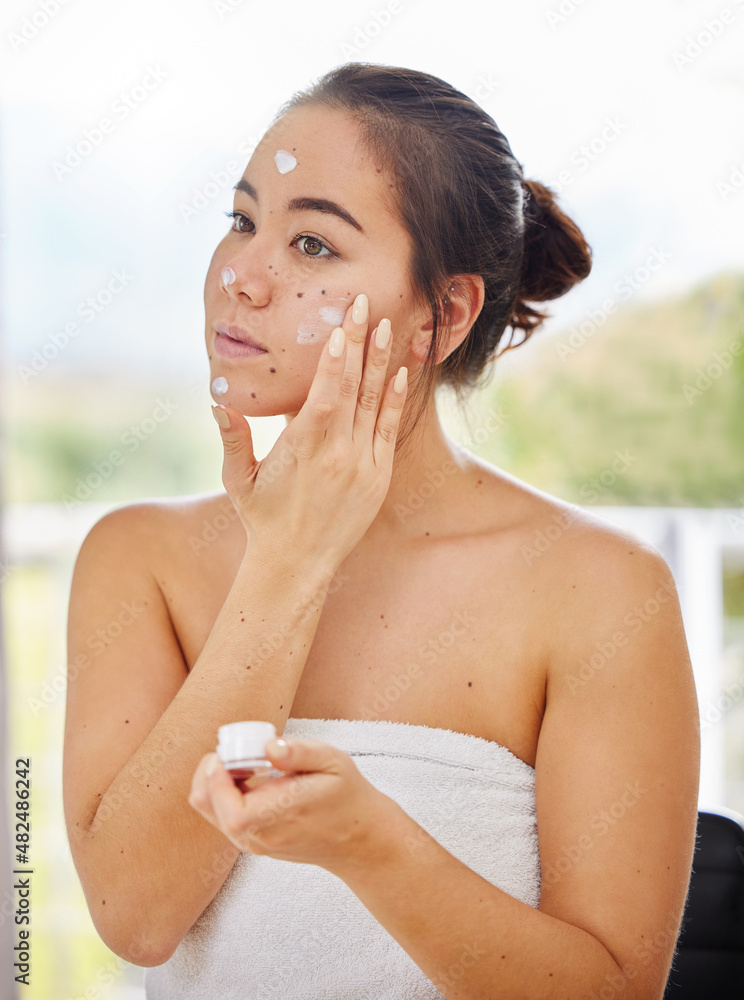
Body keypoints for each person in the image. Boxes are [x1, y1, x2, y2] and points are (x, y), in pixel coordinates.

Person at [63, 62, 700, 999]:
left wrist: (371, 845)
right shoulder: (137, 562)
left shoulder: (602, 595)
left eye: (313, 245)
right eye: (242, 221)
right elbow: (137, 918)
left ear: (442, 314)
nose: (240, 276)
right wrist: (286, 565)